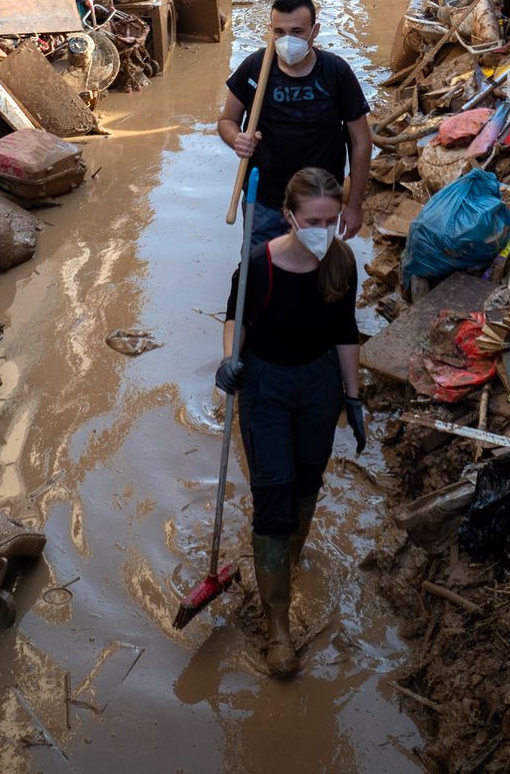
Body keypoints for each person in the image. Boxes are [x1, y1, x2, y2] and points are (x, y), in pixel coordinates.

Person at [215, 167, 367, 677]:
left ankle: (287, 558)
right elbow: (234, 316)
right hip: (268, 387)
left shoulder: (341, 263)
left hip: (319, 385)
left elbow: (346, 331)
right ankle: (277, 623)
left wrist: (354, 399)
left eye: (331, 218)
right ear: (290, 217)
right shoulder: (260, 264)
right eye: (314, 220)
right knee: (274, 496)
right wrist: (228, 360)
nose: (323, 229)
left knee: (307, 483)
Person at [218, 0, 371, 249]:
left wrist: (354, 205)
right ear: (270, 30)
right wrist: (237, 140)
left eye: (297, 32)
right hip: (264, 200)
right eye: (279, 32)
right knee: (259, 274)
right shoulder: (254, 68)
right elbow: (226, 121)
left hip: (318, 206)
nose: (287, 39)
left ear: (315, 30)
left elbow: (361, 141)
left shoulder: (336, 73)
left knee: (313, 275)